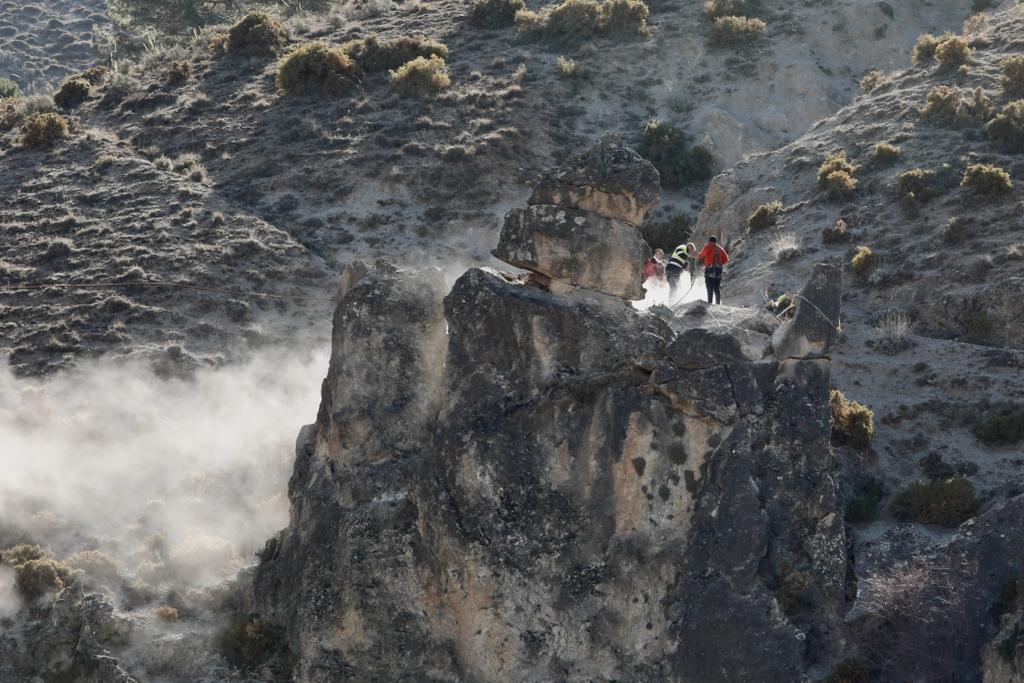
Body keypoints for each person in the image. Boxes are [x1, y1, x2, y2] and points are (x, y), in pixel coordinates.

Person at [697, 235, 729, 305]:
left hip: (710, 269)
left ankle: (709, 303)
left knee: (709, 287)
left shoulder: (708, 246)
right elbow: (726, 259)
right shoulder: (720, 248)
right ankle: (718, 304)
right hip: (719, 270)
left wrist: (698, 256)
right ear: (716, 242)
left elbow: (702, 254)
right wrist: (720, 264)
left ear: (709, 241)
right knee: (716, 288)